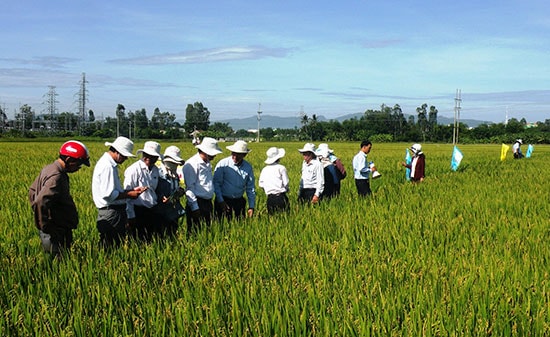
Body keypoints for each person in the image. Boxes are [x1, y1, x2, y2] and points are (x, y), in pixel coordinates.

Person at [29, 140, 90, 257]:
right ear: (68, 160)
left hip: (57, 228)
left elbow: (32, 191)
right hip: (56, 230)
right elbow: (40, 201)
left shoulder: (49, 168)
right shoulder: (56, 176)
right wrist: (45, 226)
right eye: (78, 164)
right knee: (58, 263)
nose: (78, 168)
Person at [93, 137, 147, 248]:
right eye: (125, 156)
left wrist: (130, 191)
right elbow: (108, 195)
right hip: (111, 212)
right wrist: (129, 194)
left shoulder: (109, 164)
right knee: (111, 245)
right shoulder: (107, 166)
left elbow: (113, 191)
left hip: (113, 212)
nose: (126, 159)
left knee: (114, 243)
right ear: (118, 152)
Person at [124, 141, 163, 241]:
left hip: (152, 210)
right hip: (138, 211)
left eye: (152, 156)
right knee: (138, 240)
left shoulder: (156, 170)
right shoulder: (133, 170)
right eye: (146, 155)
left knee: (151, 240)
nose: (148, 158)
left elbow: (154, 190)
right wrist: (130, 215)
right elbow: (127, 195)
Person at [182, 137, 223, 234]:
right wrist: (195, 208)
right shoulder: (191, 164)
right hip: (197, 202)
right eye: (213, 153)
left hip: (207, 203)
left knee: (207, 231)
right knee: (195, 232)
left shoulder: (207, 163)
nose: (215, 155)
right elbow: (189, 188)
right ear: (205, 152)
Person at [213, 140, 256, 220]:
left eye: (238, 154)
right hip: (223, 200)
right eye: (233, 153)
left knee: (239, 225)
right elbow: (216, 184)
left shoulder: (248, 167)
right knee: (221, 226)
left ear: (244, 155)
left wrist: (251, 206)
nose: (235, 157)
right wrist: (221, 201)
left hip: (239, 202)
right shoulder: (223, 164)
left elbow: (250, 188)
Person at [156, 145, 186, 238]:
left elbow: (174, 189)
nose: (175, 165)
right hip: (160, 212)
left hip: (173, 211)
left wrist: (180, 192)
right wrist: (161, 197)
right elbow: (153, 189)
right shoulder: (158, 174)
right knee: (162, 236)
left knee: (172, 234)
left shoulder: (175, 174)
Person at [258, 147, 290, 215]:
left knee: (272, 218)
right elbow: (286, 183)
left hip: (270, 199)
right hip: (281, 197)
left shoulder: (264, 169)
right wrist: (287, 189)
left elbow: (261, 184)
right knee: (285, 218)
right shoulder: (281, 168)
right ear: (278, 158)